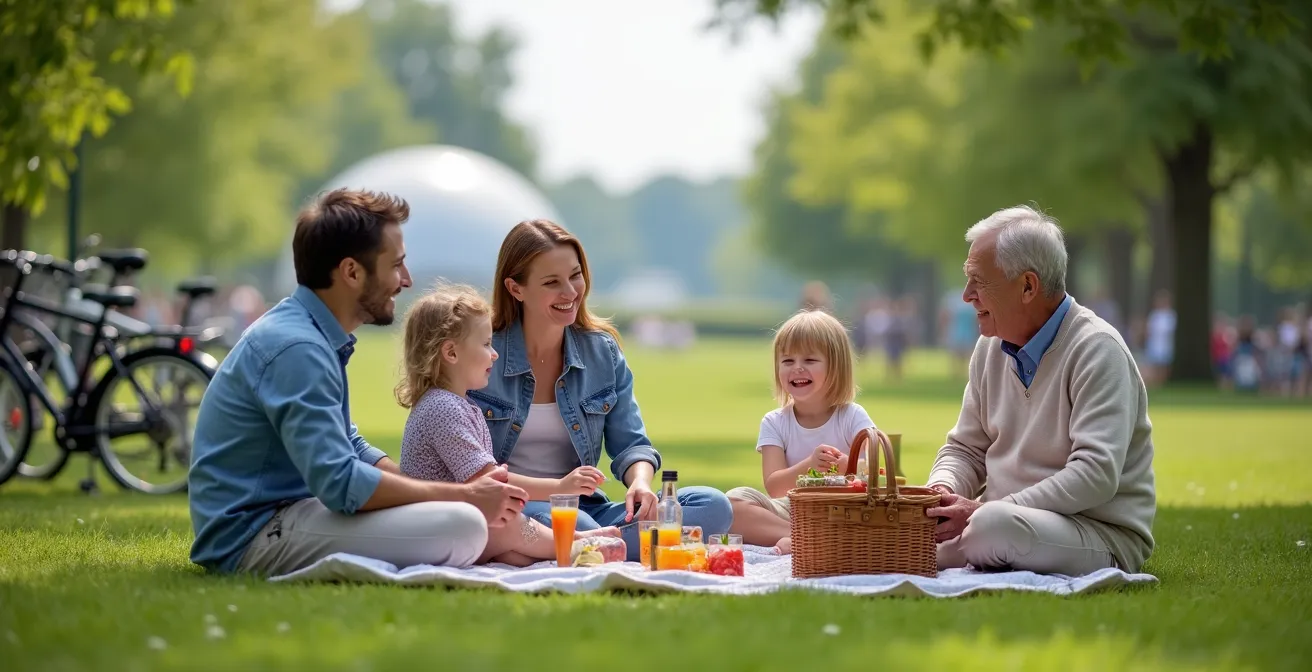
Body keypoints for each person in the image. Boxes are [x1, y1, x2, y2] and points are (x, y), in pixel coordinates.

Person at [187, 188, 527, 576]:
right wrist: (464, 497)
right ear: (351, 272)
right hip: (254, 534)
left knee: (459, 516)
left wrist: (438, 494)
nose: (407, 279)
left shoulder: (310, 334)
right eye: (396, 265)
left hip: (291, 512)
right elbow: (341, 483)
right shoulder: (298, 347)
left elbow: (349, 445)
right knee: (464, 526)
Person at [468, 219, 734, 562]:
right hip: (516, 510)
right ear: (516, 288)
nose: (571, 292)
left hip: (589, 508)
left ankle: (588, 546)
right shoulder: (483, 353)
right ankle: (594, 544)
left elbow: (633, 444)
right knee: (574, 521)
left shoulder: (602, 352)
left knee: (712, 506)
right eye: (552, 282)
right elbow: (471, 467)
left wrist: (640, 482)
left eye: (575, 276)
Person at [927, 205, 1156, 576]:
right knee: (917, 533)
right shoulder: (989, 347)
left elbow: (1096, 474)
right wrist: (941, 489)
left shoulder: (1097, 349)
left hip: (1098, 532)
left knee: (990, 529)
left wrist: (985, 510)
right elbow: (964, 449)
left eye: (978, 281)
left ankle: (971, 544)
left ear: (1028, 286)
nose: (967, 295)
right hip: (1002, 521)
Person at [395, 283, 620, 566]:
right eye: (486, 344)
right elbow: (492, 482)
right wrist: (560, 485)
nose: (495, 354)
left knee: (511, 540)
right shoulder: (443, 408)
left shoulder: (461, 405)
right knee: (507, 521)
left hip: (452, 523)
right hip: (437, 527)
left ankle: (564, 545)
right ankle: (575, 546)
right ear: (450, 353)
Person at [725, 309, 884, 554]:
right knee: (730, 505)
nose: (797, 368)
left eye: (809, 360)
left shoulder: (853, 416)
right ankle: (806, 538)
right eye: (788, 361)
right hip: (793, 509)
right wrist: (810, 465)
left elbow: (870, 476)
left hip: (844, 510)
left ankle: (803, 538)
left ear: (836, 367)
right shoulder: (775, 422)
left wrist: (845, 465)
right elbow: (775, 487)